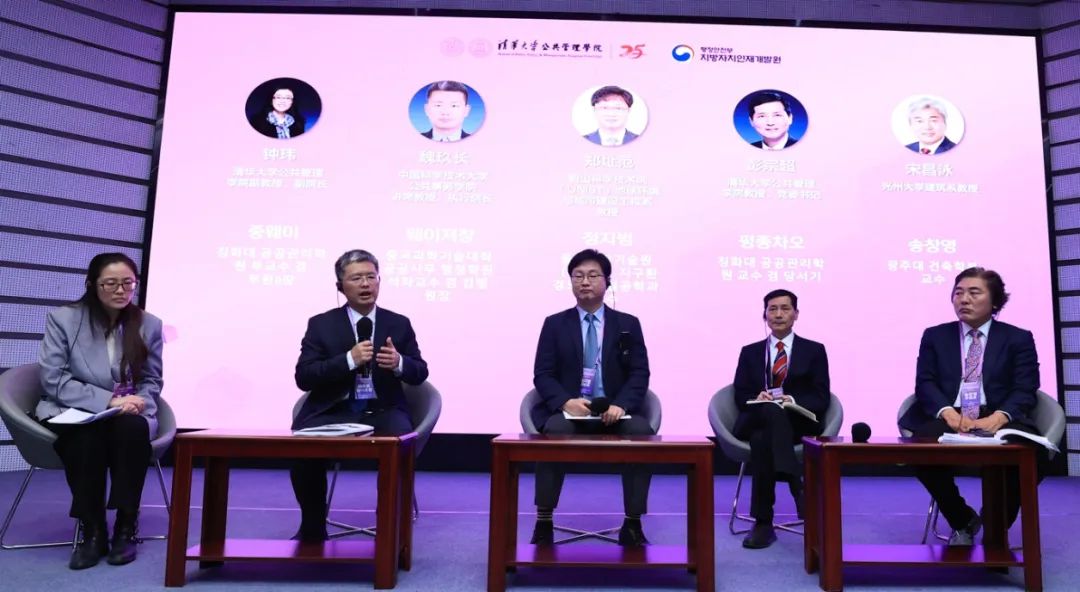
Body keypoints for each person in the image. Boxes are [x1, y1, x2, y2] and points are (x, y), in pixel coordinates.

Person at [899, 267, 1050, 545]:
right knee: (918, 449)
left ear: (994, 302)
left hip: (998, 415)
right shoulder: (935, 336)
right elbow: (925, 382)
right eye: (958, 293)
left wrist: (999, 417)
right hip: (950, 415)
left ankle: (995, 525)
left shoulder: (1018, 338)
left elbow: (1025, 386)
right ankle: (961, 519)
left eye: (974, 293)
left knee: (1033, 454)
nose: (964, 299)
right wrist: (947, 412)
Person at [290, 249, 429, 541]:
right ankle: (312, 528)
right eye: (356, 278)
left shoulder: (398, 323)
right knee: (302, 449)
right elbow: (304, 377)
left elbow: (420, 372)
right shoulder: (321, 324)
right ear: (340, 286)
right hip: (334, 410)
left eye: (371, 277)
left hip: (384, 410)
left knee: (398, 445)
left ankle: (389, 530)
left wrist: (399, 363)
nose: (365, 284)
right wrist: (348, 360)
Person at [36, 253, 163, 570]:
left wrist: (138, 401)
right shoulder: (64, 319)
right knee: (86, 438)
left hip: (127, 412)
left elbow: (151, 379)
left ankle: (125, 526)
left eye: (128, 283)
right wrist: (108, 401)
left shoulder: (149, 324)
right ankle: (93, 530)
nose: (121, 291)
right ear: (92, 284)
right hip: (73, 409)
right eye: (111, 283)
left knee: (133, 431)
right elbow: (54, 379)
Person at [529, 249, 653, 546]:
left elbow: (640, 372)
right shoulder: (555, 324)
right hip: (572, 411)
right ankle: (544, 521)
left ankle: (633, 523)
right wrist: (565, 402)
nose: (585, 282)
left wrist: (621, 404)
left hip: (614, 411)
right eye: (578, 276)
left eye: (593, 275)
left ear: (607, 282)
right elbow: (543, 374)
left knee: (641, 432)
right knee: (553, 432)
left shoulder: (628, 324)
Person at [732, 289, 830, 549]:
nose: (778, 314)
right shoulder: (750, 352)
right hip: (757, 415)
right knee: (769, 412)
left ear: (796, 314)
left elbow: (822, 397)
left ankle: (763, 522)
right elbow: (739, 393)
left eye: (785, 309)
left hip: (796, 422)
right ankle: (795, 482)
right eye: (772, 309)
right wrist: (758, 396)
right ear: (764, 315)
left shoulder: (814, 350)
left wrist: (792, 400)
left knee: (762, 439)